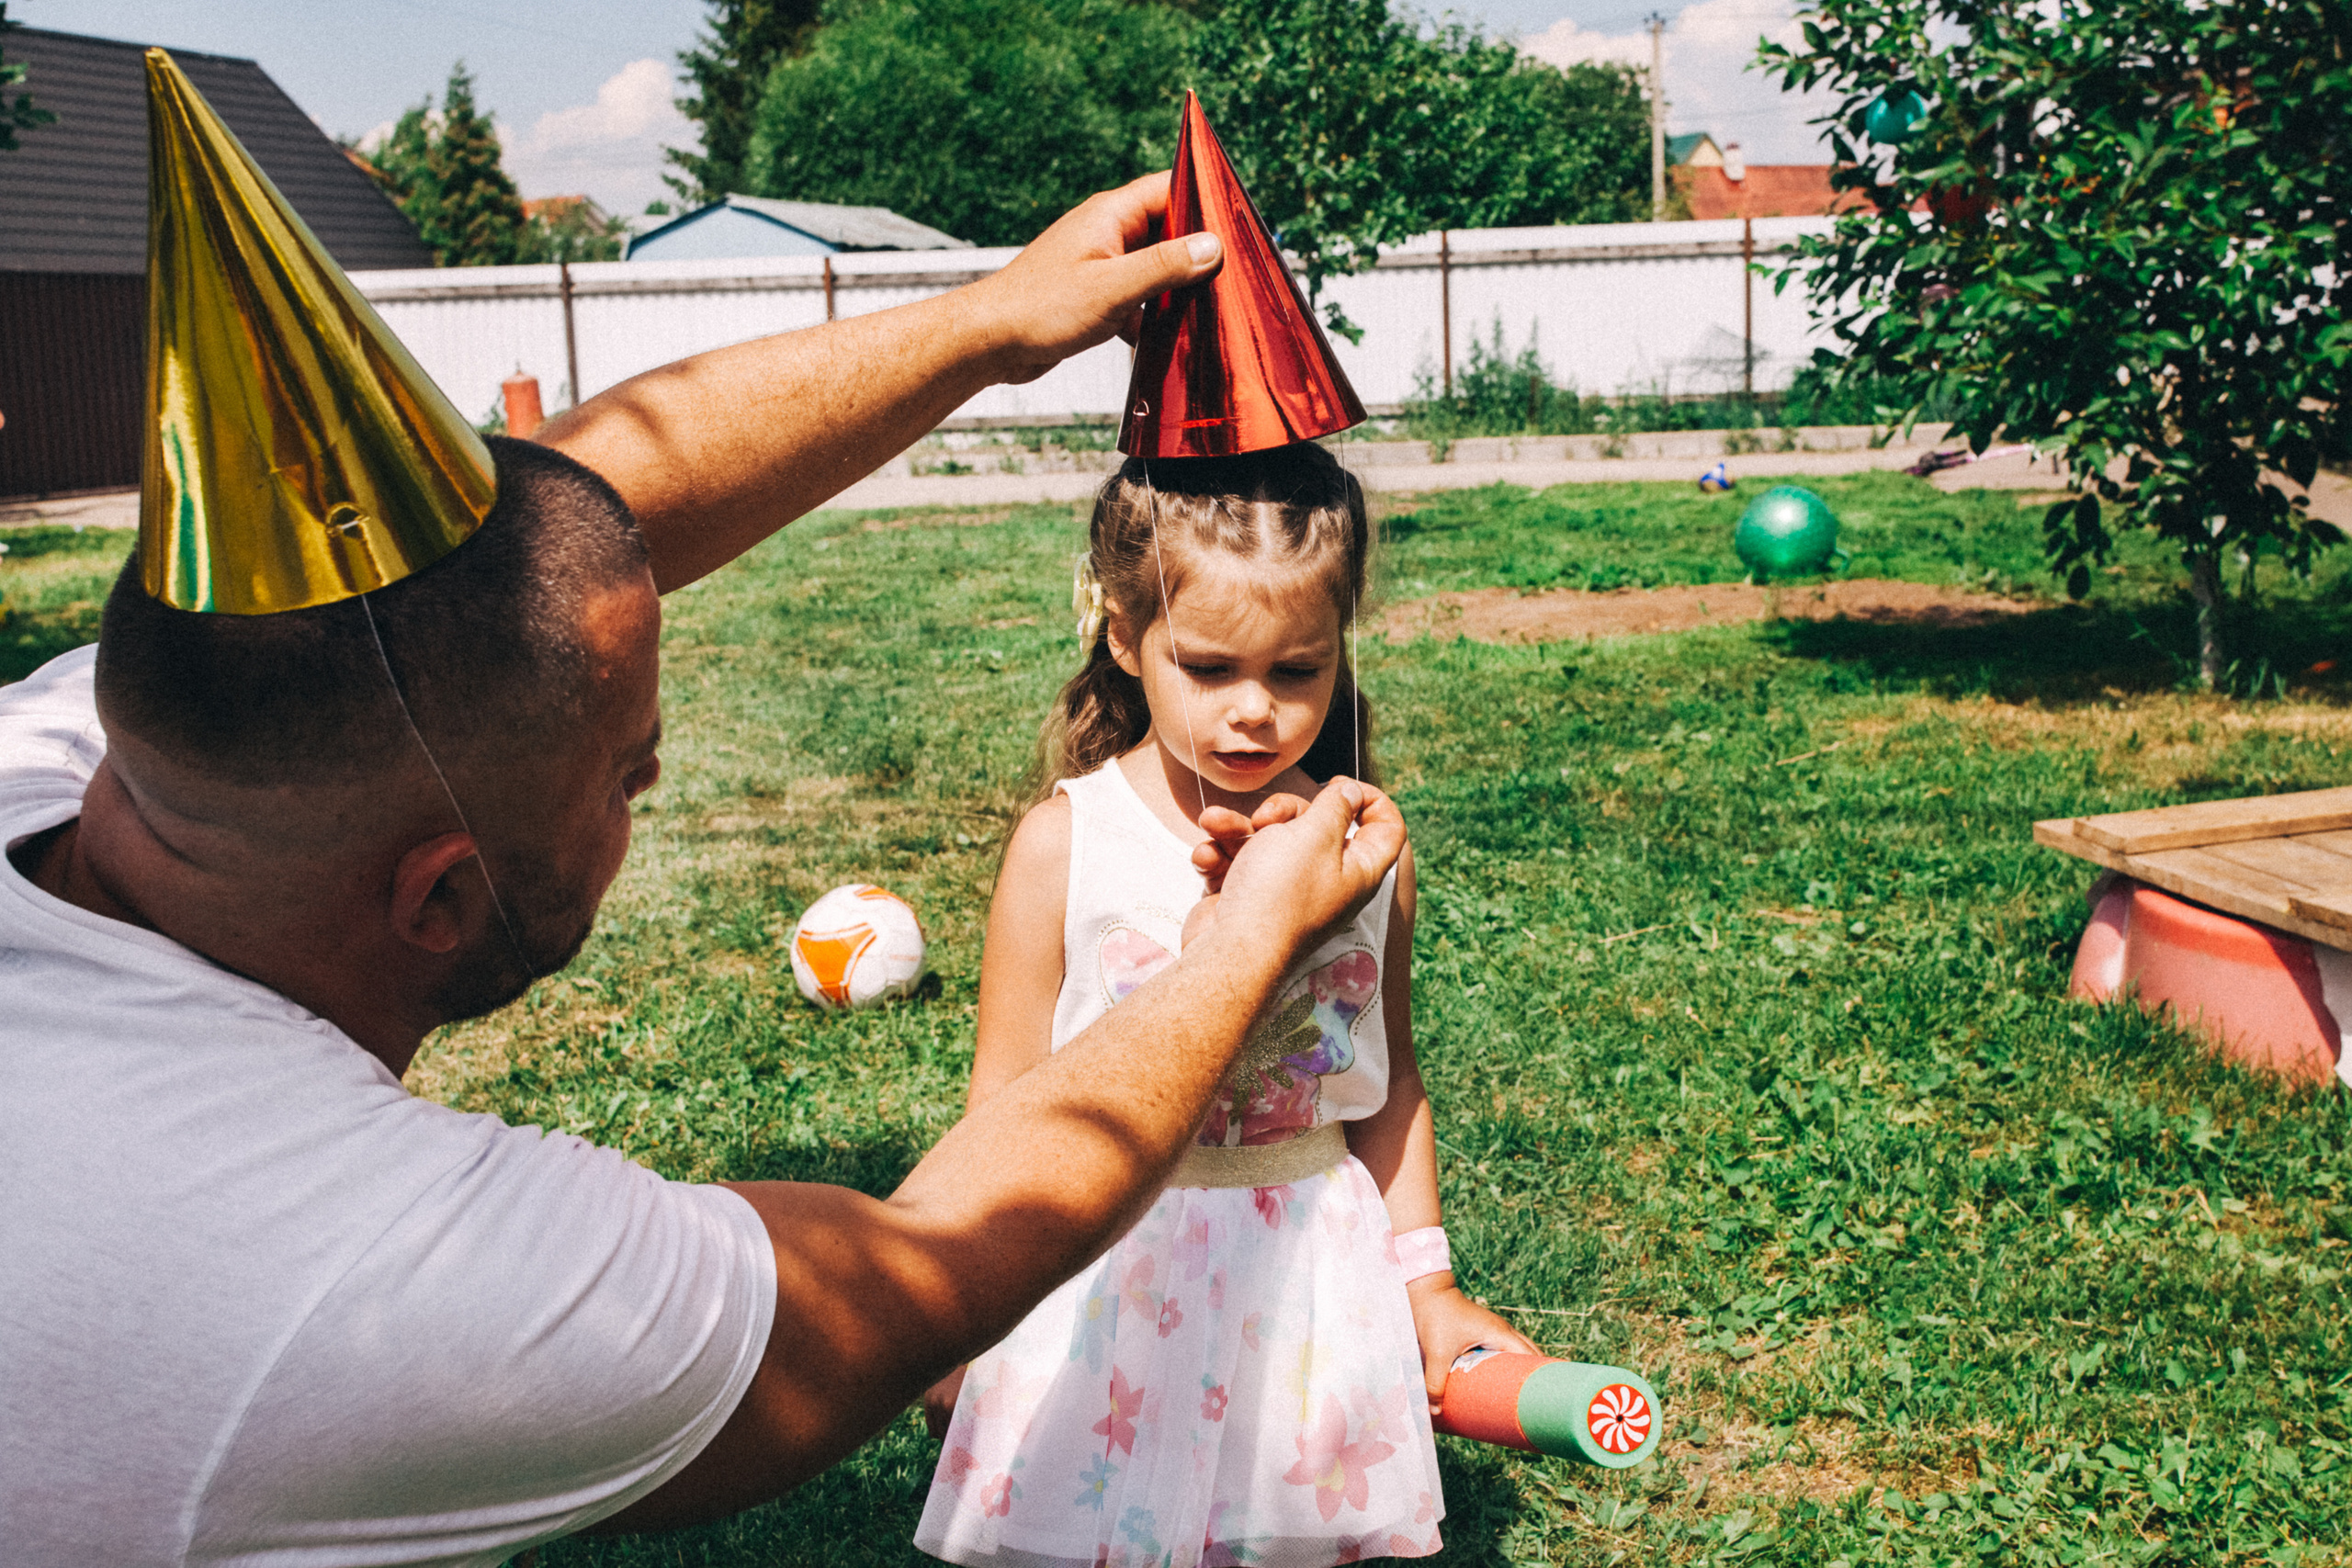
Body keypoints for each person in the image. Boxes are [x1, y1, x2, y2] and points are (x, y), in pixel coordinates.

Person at [0, 53, 1405, 1568]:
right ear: (441, 896)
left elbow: (546, 528)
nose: (654, 784)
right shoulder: (360, 1275)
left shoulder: (77, 740)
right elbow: (911, 1279)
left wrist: (993, 323)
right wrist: (1244, 939)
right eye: (628, 771)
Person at [913, 445, 1535, 1568]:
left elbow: (1388, 1090)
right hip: (1103, 1269)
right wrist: (961, 1296)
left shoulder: (1364, 855)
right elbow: (1002, 1098)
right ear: (1123, 636)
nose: (1255, 712)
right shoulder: (1065, 844)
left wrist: (1429, 1282)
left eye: (1296, 671)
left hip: (1305, 1281)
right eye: (1207, 668)